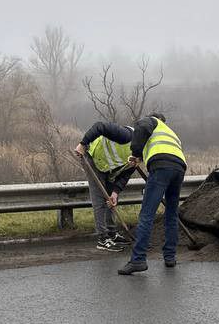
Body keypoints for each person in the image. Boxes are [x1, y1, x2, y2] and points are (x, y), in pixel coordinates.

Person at [117, 114, 187, 275]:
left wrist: (135, 154)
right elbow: (161, 148)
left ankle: (138, 260)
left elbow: (141, 128)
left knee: (147, 214)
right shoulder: (171, 132)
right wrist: (141, 157)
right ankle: (170, 257)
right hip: (179, 169)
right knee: (171, 213)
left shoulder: (151, 121)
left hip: (161, 167)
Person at [75, 120, 137, 251]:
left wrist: (115, 192)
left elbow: (125, 175)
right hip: (93, 158)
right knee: (100, 200)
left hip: (108, 168)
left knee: (111, 199)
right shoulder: (126, 135)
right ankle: (102, 239)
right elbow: (100, 126)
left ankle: (112, 234)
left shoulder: (140, 154)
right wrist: (83, 144)